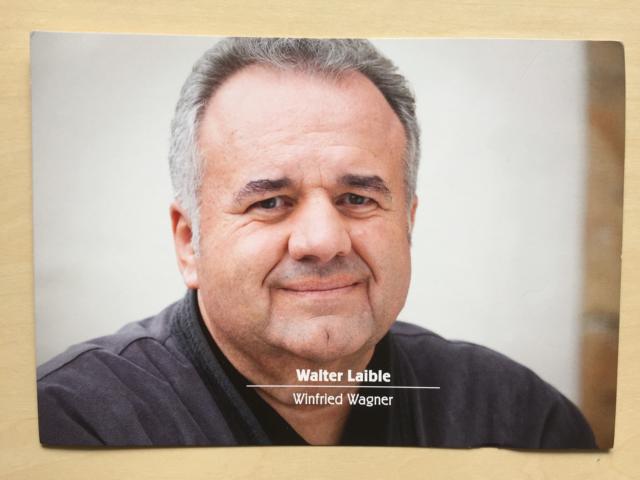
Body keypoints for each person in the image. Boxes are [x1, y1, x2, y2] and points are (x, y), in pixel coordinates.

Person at [37, 37, 596, 448]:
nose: (323, 241)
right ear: (189, 242)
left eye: (357, 198)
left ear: (408, 223)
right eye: (270, 202)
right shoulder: (75, 427)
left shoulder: (515, 420)